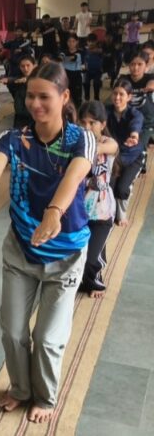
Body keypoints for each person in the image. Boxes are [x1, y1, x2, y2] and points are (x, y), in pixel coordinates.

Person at [0, 62, 95, 424]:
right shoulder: (15, 139)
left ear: (64, 97)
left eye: (44, 96)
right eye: (30, 96)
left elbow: (76, 173)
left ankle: (44, 396)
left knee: (47, 338)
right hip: (21, 251)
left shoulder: (80, 138)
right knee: (13, 331)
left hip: (66, 254)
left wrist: (54, 210)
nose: (35, 103)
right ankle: (19, 388)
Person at [78, 101, 118, 298]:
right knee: (79, 252)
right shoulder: (77, 142)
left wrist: (85, 148)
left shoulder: (107, 144)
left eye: (92, 123)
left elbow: (112, 146)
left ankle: (94, 281)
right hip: (79, 210)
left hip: (102, 211)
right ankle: (85, 280)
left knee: (92, 256)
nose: (86, 127)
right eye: (82, 122)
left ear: (102, 124)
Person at [107, 79, 145, 226]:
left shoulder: (135, 114)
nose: (117, 97)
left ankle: (121, 214)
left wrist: (134, 136)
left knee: (122, 189)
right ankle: (110, 212)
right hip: (115, 156)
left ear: (129, 97)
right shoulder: (107, 111)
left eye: (121, 94)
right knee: (109, 186)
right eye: (115, 93)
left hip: (133, 156)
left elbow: (136, 125)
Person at [123, 51, 154, 148]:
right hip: (127, 120)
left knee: (138, 148)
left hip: (146, 123)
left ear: (146, 65)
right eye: (132, 64)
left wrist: (151, 86)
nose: (136, 67)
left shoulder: (150, 77)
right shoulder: (124, 79)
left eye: (140, 64)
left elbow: (152, 83)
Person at [1, 55, 37, 128]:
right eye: (22, 66)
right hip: (19, 116)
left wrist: (28, 80)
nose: (25, 69)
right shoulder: (18, 80)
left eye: (28, 65)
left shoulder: (40, 80)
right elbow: (15, 80)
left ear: (34, 66)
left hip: (34, 117)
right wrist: (8, 81)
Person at [61, 34, 85, 108]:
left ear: (77, 42)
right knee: (65, 96)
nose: (71, 43)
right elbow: (59, 58)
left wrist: (64, 58)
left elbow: (74, 58)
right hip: (66, 76)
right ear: (67, 42)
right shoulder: (63, 52)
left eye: (73, 41)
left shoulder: (81, 52)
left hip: (76, 77)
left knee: (76, 98)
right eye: (69, 41)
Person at [83, 34, 103, 101]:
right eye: (89, 41)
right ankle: (87, 97)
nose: (91, 43)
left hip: (97, 71)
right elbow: (84, 60)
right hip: (88, 71)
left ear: (96, 41)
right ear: (87, 42)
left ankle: (96, 98)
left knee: (96, 83)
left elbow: (101, 51)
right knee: (85, 82)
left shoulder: (99, 50)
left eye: (93, 41)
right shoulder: (85, 50)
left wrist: (95, 50)